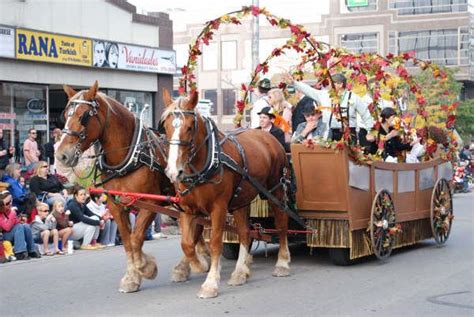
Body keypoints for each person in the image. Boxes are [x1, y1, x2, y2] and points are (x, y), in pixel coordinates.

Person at [288, 73, 373, 143]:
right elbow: (309, 90)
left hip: (349, 133)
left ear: (340, 84)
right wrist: (294, 83)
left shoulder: (354, 97)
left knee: (348, 160)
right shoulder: (324, 95)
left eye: (332, 83)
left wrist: (370, 131)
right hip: (328, 132)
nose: (329, 85)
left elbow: (365, 114)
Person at [0, 191, 39, 260]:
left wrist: (20, 220)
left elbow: (15, 223)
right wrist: (12, 213)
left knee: (25, 225)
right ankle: (19, 252)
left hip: (11, 234)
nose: (10, 204)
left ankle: (31, 250)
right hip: (3, 237)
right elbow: (7, 228)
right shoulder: (4, 213)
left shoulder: (9, 210)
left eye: (11, 201)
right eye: (7, 203)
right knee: (19, 226)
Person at [67, 186, 104, 250]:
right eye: (81, 195)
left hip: (79, 228)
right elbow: (83, 219)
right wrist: (98, 223)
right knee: (92, 224)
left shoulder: (82, 204)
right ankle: (85, 244)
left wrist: (101, 219)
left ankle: (93, 242)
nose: (83, 196)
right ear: (76, 196)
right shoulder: (73, 205)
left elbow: (91, 214)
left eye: (84, 194)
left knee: (95, 218)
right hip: (71, 231)